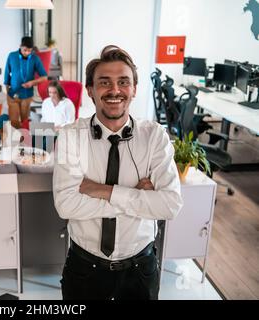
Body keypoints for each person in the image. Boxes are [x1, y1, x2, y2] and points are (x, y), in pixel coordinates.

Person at [53, 45, 183, 300]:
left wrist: (102, 191)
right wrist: (137, 198)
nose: (114, 90)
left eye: (123, 82)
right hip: (83, 269)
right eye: (104, 82)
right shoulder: (71, 135)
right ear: (90, 90)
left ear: (134, 88)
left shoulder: (155, 136)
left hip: (140, 270)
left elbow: (170, 205)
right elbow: (66, 206)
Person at [4, 36, 48, 128]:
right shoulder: (12, 56)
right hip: (13, 93)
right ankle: (15, 140)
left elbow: (44, 77)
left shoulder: (35, 58)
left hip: (27, 95)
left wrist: (32, 83)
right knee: (14, 122)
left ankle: (25, 140)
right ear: (20, 46)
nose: (27, 53)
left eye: (29, 50)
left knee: (25, 121)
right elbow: (6, 74)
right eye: (25, 50)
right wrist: (7, 92)